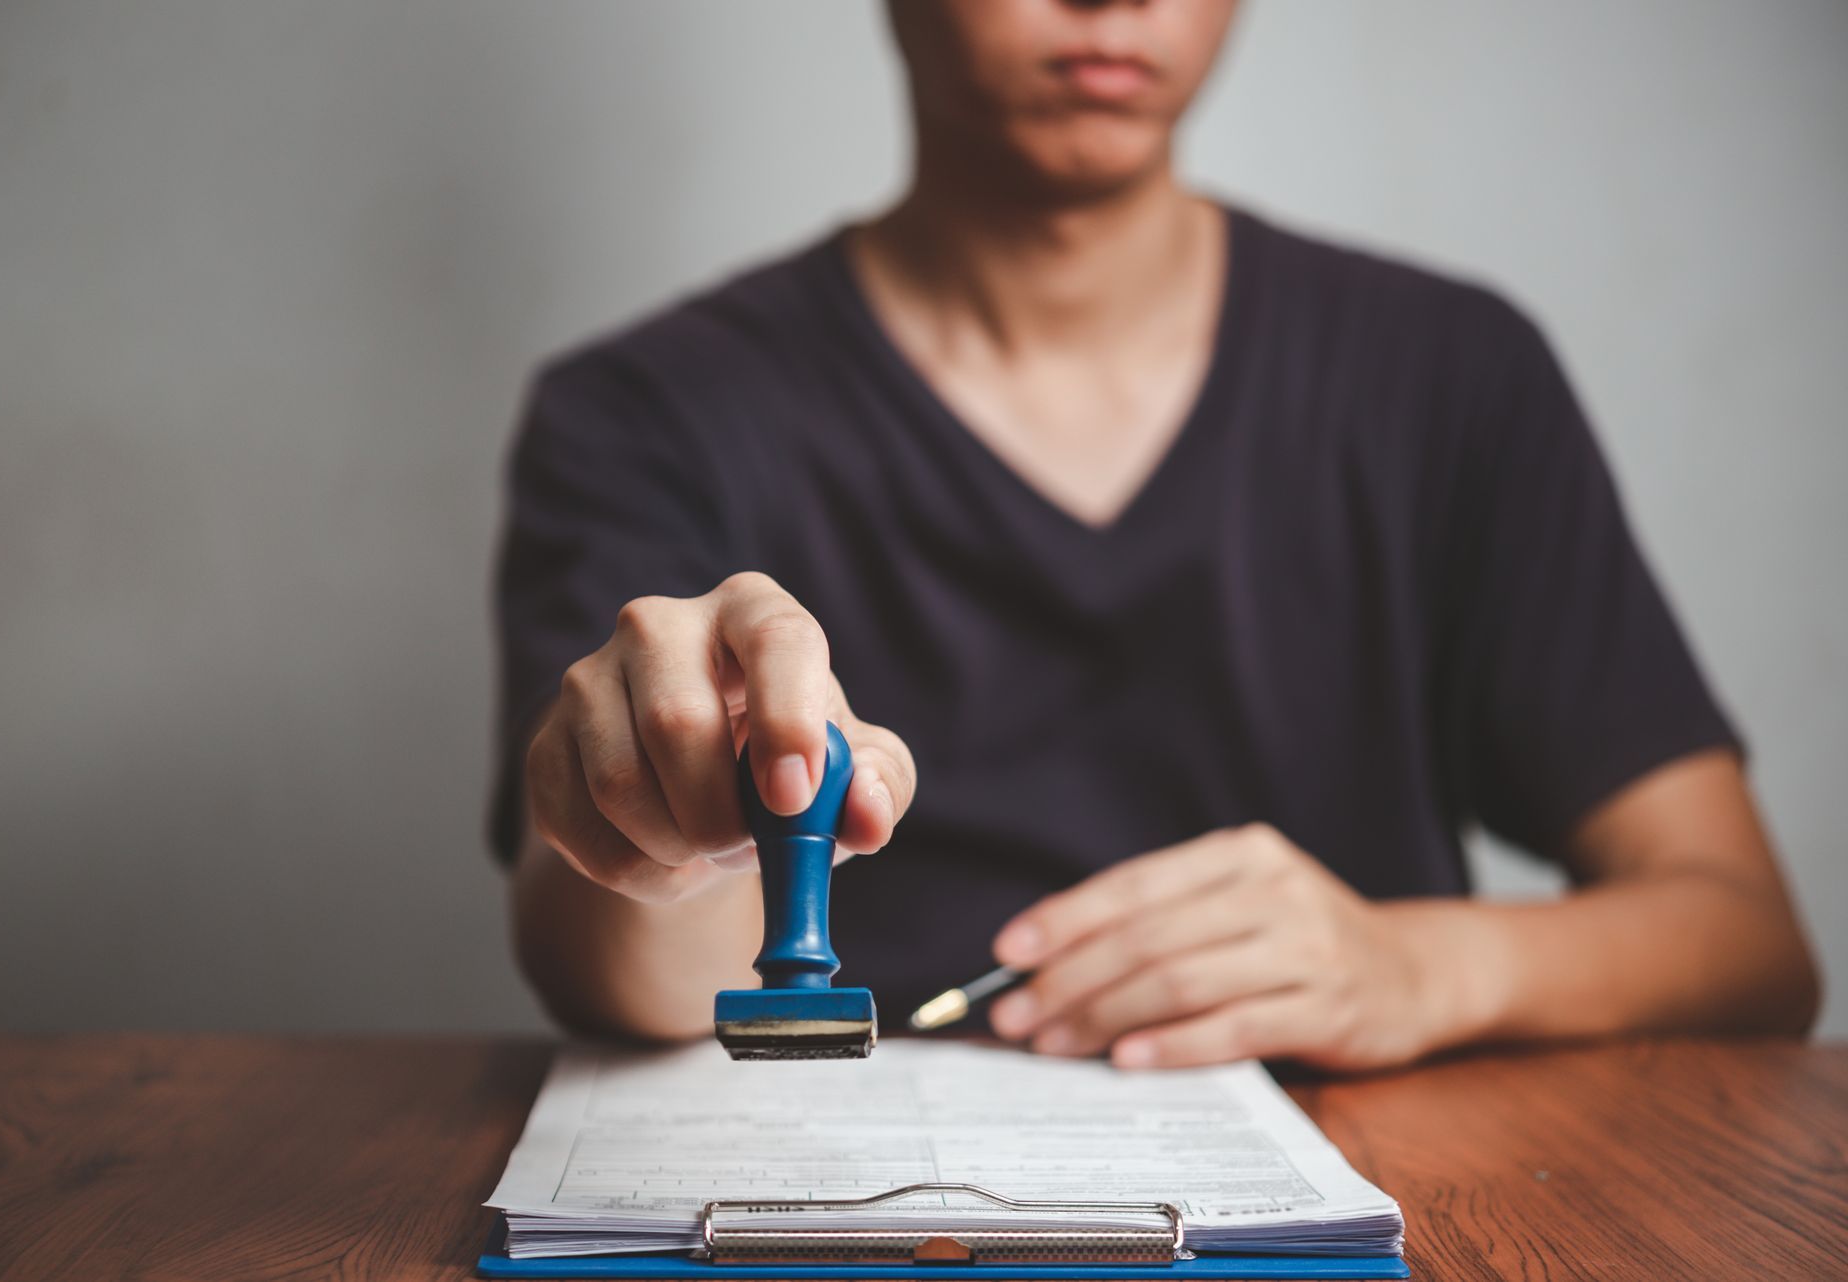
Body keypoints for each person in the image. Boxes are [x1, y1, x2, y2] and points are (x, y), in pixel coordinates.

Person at [491, 0, 1819, 1070]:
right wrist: (670, 848)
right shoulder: (641, 413)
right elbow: (612, 971)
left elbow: (1748, 938)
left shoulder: (1456, 376)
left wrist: (1417, 965)